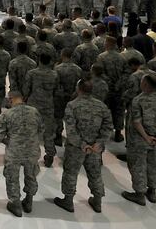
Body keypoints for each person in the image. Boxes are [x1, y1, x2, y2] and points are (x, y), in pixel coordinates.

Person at [54, 79, 113, 213]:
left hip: (76, 148)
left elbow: (70, 129)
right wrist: (99, 142)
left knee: (70, 173)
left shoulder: (72, 105)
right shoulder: (101, 106)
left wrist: (82, 144)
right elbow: (108, 126)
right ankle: (97, 201)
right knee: (95, 174)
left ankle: (68, 201)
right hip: (95, 149)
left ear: (78, 89)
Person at [122, 74, 156, 206]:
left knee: (138, 166)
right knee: (153, 166)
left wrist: (146, 137)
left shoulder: (138, 100)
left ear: (145, 85)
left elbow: (137, 122)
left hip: (140, 140)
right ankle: (152, 191)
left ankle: (139, 194)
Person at [0, 90, 44, 217]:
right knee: (31, 176)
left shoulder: (6, 115)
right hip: (32, 150)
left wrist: (12, 142)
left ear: (10, 99)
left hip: (14, 152)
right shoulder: (34, 112)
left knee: (12, 177)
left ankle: (15, 204)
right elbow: (41, 129)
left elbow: (0, 135)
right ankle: (29, 201)